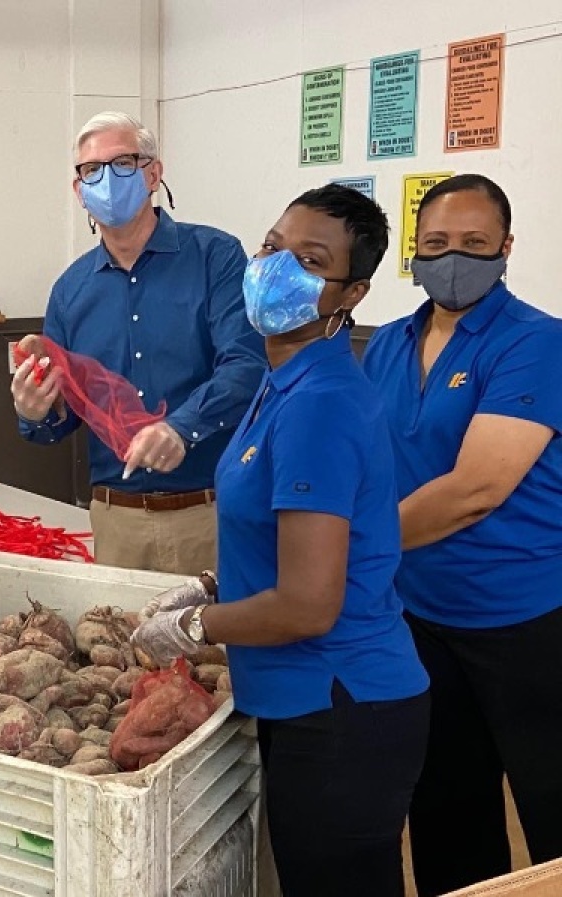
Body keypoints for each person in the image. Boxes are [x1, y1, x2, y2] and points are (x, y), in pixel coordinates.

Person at [132, 184, 430, 897]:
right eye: (272, 245)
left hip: (342, 704)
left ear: (350, 292)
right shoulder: (286, 378)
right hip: (317, 699)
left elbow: (306, 604)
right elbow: (289, 534)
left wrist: (194, 626)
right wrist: (212, 582)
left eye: (310, 259)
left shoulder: (319, 404)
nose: (275, 265)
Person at [361, 174, 562, 896]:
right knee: (446, 811)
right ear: (414, 251)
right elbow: (367, 462)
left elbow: (477, 488)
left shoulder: (536, 342)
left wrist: (351, 548)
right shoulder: (386, 344)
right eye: (438, 243)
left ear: (506, 249)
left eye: (475, 244)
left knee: (551, 812)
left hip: (527, 623)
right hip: (419, 620)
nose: (454, 258)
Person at [10, 111, 265, 576]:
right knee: (117, 648)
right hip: (117, 521)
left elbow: (247, 365)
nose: (106, 179)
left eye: (122, 162)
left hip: (208, 514)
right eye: (91, 170)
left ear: (153, 173)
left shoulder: (215, 257)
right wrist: (34, 412)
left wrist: (180, 428)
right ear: (79, 191)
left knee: (221, 648)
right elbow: (61, 417)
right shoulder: (70, 291)